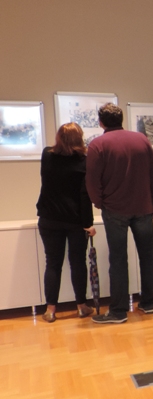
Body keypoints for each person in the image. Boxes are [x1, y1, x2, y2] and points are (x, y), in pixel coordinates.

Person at [86, 103, 153, 324]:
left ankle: (119, 311)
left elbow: (92, 180)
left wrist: (99, 202)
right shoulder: (141, 140)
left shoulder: (98, 145)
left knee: (118, 259)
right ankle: (148, 303)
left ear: (101, 122)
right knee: (148, 256)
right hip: (143, 207)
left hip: (115, 209)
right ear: (121, 119)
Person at [36, 123, 96, 323]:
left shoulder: (47, 155)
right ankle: (81, 306)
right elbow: (85, 196)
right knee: (77, 262)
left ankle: (50, 310)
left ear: (59, 137)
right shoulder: (84, 161)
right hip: (75, 220)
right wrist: (88, 223)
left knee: (53, 263)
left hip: (49, 218)